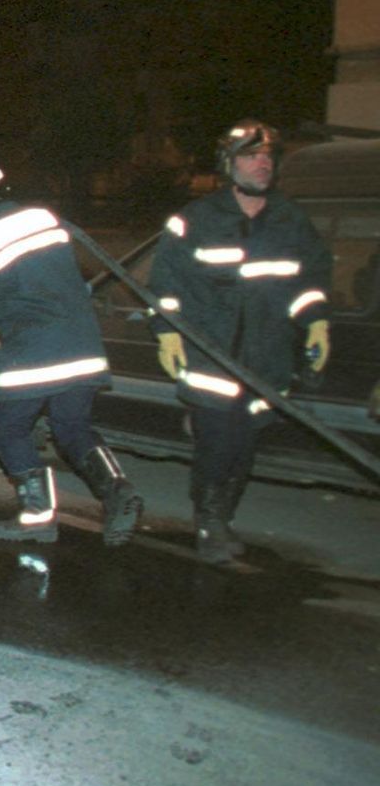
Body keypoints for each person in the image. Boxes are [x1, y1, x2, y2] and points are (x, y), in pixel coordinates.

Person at [148, 120, 332, 563]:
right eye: (252, 156)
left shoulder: (291, 221)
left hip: (267, 359)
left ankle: (223, 516)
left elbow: (309, 281)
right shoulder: (196, 220)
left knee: (245, 447)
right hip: (211, 359)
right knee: (219, 444)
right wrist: (167, 331)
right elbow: (165, 283)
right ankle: (209, 523)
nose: (262, 164)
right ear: (229, 164)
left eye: (268, 156)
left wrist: (316, 323)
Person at [0, 156, 142, 544]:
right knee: (72, 428)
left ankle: (37, 516)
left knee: (9, 428)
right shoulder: (46, 218)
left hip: (34, 351)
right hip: (83, 346)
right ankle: (120, 492)